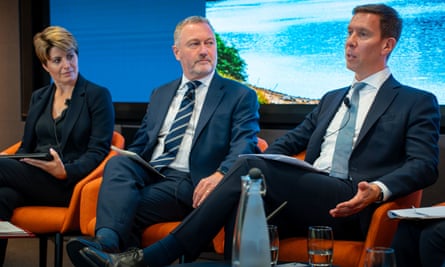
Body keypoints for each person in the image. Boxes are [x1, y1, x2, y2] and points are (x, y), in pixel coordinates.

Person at [73, 4, 440, 267]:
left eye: (362, 34)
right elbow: (289, 143)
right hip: (309, 194)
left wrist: (378, 189)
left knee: (250, 169)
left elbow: (424, 165)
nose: (349, 41)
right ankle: (120, 255)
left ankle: (155, 258)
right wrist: (258, 163)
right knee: (249, 183)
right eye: (348, 33)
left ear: (387, 45)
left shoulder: (416, 101)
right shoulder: (331, 99)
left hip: (353, 199)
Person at [66, 15, 260, 266]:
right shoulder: (161, 93)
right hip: (153, 174)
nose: (204, 51)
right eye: (195, 44)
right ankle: (108, 249)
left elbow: (245, 143)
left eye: (209, 43)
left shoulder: (240, 95)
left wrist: (222, 173)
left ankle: (105, 245)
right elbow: (143, 143)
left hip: (193, 181)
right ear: (176, 52)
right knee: (118, 165)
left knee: (125, 210)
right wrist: (130, 157)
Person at [0, 26, 114, 265]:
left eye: (71, 56)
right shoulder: (39, 97)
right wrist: (12, 164)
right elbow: (26, 146)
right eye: (57, 60)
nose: (67, 65)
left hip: (69, 183)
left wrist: (66, 171)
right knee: (2, 197)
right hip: (34, 177)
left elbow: (99, 150)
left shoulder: (97, 95)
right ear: (45, 65)